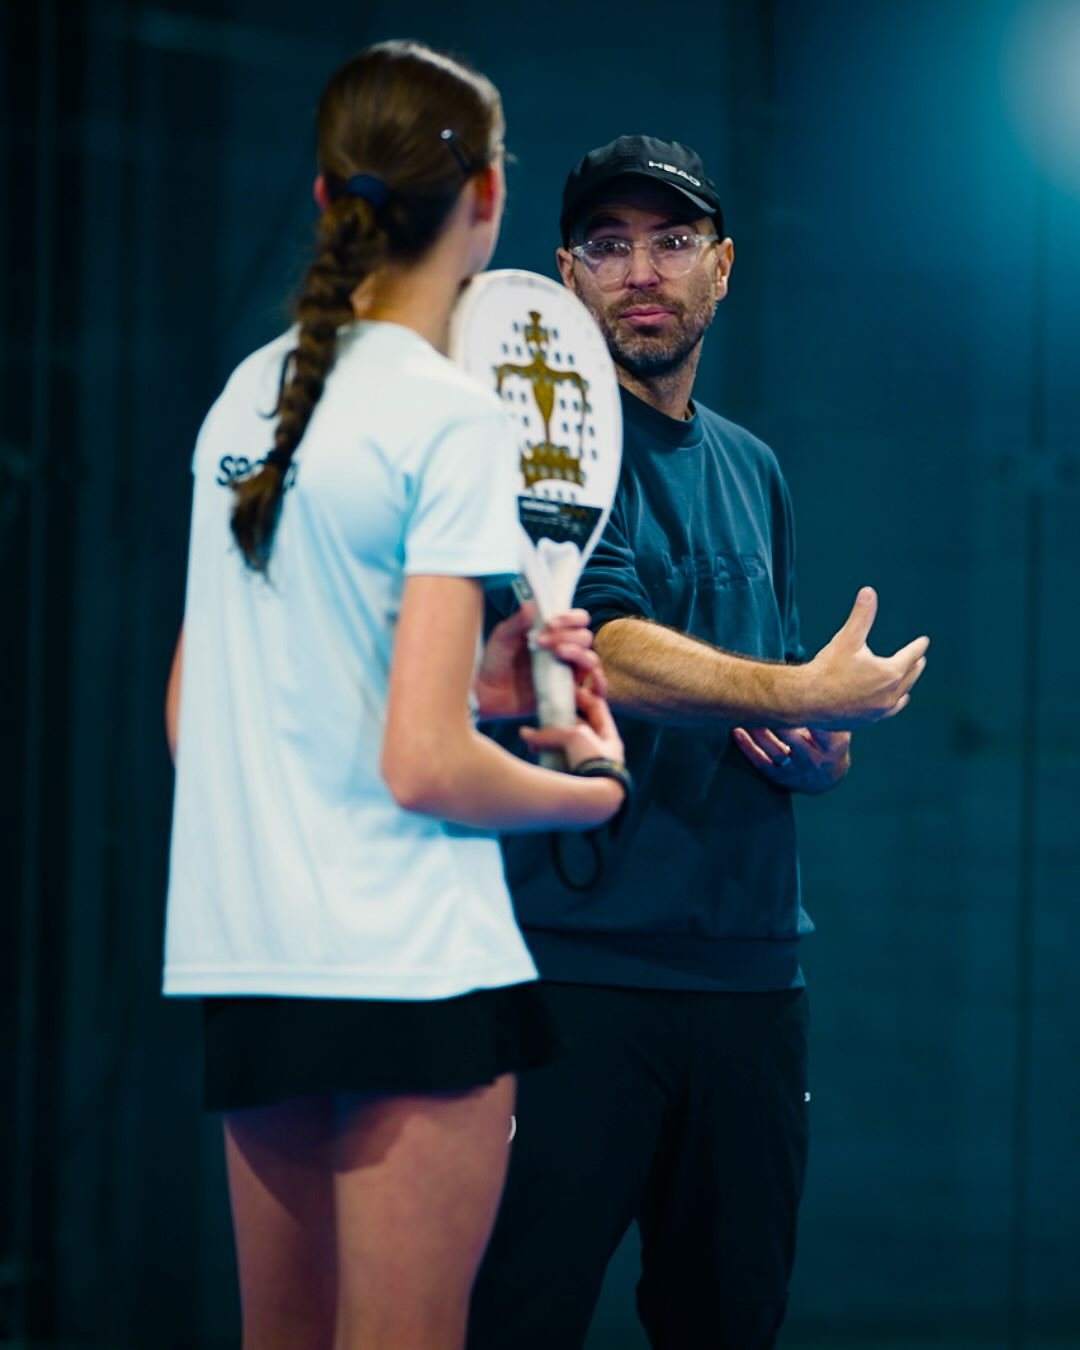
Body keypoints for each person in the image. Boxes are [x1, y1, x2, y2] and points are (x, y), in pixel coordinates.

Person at [161, 44, 631, 1350]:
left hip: (250, 962)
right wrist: (586, 788)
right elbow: (424, 765)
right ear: (486, 200)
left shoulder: (240, 408)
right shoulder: (447, 417)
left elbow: (200, 721)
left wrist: (457, 682)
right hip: (413, 971)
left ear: (325, 200)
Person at [467, 136, 929, 1349]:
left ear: (722, 267)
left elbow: (758, 695)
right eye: (608, 246)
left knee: (729, 1322)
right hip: (575, 976)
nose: (640, 272)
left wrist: (815, 740)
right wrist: (796, 687)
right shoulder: (547, 444)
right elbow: (604, 649)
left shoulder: (755, 469)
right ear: (567, 275)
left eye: (671, 243)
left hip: (752, 987)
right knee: (520, 1316)